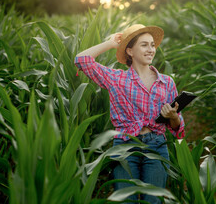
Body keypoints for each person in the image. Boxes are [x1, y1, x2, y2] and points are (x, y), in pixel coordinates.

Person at [74, 24, 185, 203]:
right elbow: (81, 59)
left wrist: (173, 117)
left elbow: (178, 128)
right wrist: (110, 43)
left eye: (152, 45)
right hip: (125, 146)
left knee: (153, 201)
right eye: (144, 45)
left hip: (157, 146)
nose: (150, 50)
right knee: (127, 201)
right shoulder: (116, 79)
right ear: (130, 51)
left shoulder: (167, 83)